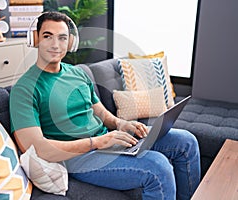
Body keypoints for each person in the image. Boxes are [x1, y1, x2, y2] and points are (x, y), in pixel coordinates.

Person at [10, 11, 200, 200]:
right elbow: (37, 149)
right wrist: (98, 142)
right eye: (47, 36)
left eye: (62, 38)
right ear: (35, 39)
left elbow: (100, 111)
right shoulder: (25, 88)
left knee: (186, 141)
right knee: (157, 167)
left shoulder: (78, 73)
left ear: (70, 42)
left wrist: (121, 124)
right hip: (76, 158)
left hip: (106, 143)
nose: (55, 44)